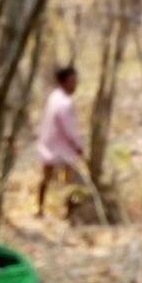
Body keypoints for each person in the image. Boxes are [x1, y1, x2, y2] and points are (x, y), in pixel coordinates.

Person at [37, 65, 84, 217]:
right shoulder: (65, 103)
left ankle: (40, 209)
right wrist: (78, 145)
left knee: (46, 178)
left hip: (48, 143)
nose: (74, 85)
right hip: (62, 146)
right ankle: (67, 211)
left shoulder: (53, 97)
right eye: (72, 82)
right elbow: (69, 128)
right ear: (64, 82)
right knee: (68, 180)